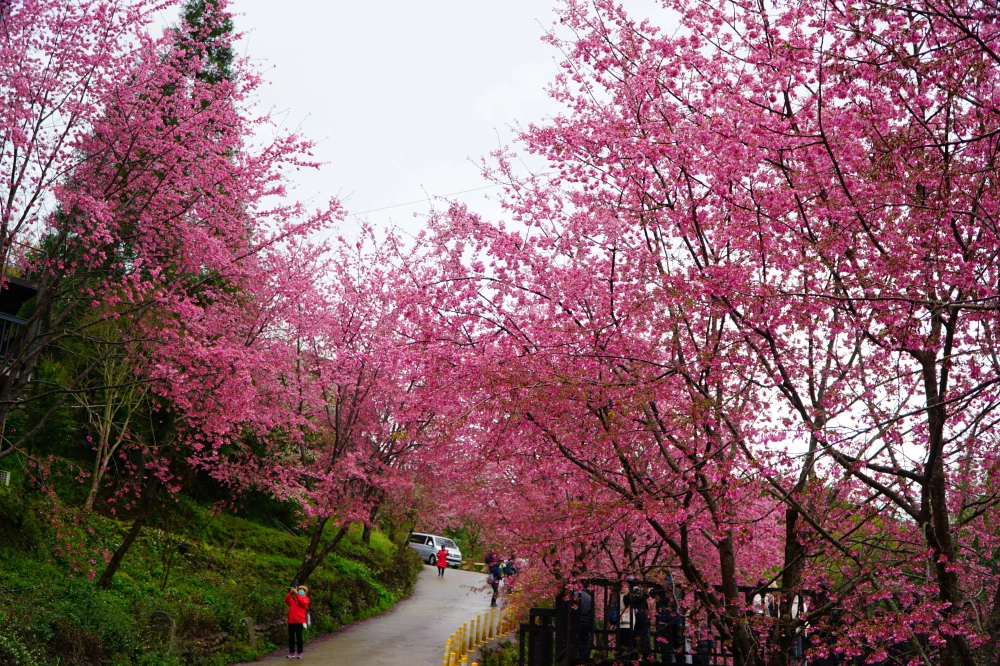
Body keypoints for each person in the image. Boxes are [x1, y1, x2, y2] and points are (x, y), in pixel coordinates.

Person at [285, 584, 310, 659]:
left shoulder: (306, 599)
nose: (300, 591)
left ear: (305, 592)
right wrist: (290, 593)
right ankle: (291, 652)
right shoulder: (293, 601)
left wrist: (296, 594)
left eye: (302, 590)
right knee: (291, 638)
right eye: (300, 589)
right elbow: (286, 600)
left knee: (299, 637)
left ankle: (299, 653)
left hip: (299, 621)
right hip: (291, 621)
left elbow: (302, 603)